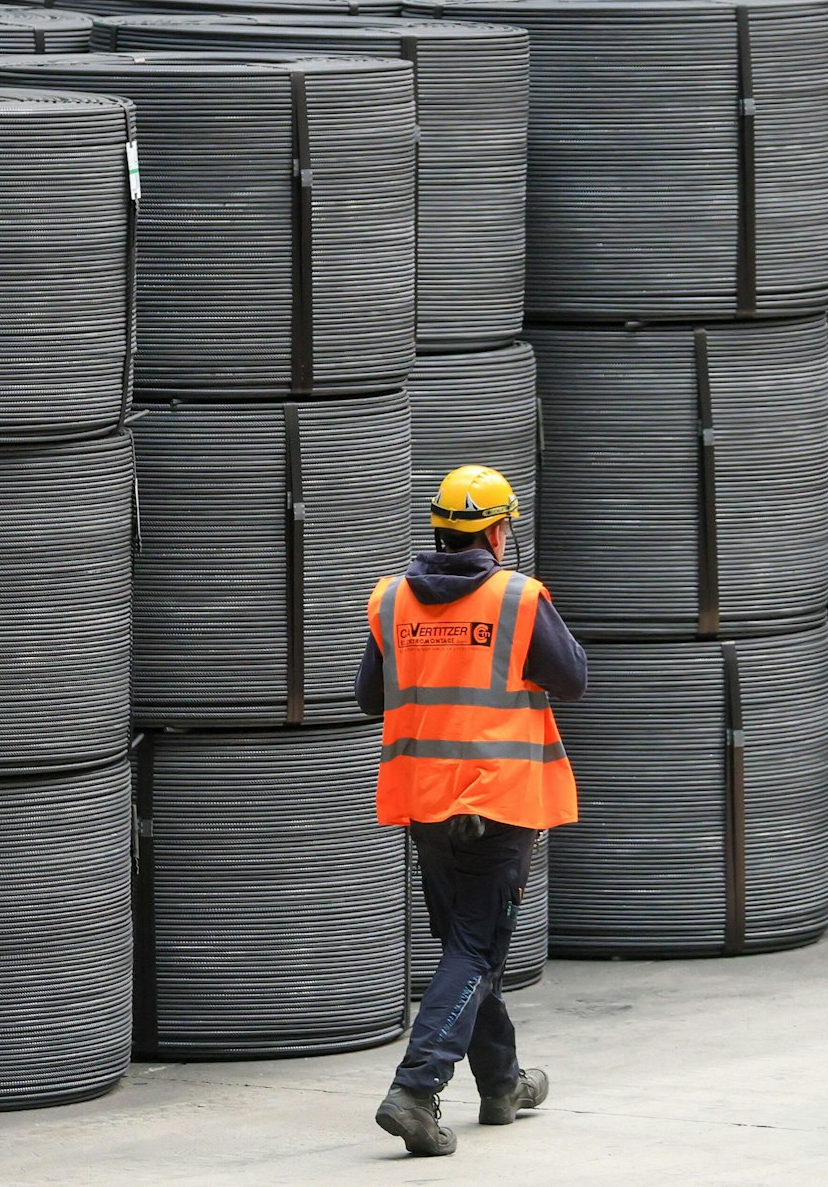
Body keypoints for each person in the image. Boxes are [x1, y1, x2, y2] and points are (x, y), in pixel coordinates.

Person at [355, 464, 586, 1157]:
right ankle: (415, 1088)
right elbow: (573, 676)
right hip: (495, 802)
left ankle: (502, 1083)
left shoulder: (392, 599)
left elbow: (371, 697)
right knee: (476, 950)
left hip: (425, 806)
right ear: (495, 529)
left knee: (467, 944)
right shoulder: (517, 598)